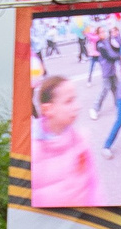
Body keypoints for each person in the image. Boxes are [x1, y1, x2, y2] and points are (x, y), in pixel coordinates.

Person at [29, 77, 103, 209]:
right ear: (48, 109)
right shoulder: (32, 151)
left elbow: (93, 185)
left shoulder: (80, 140)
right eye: (68, 101)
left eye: (74, 99)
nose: (77, 106)